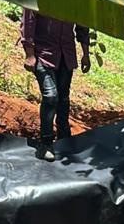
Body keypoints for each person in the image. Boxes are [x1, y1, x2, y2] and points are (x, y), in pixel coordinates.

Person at [21, 9, 91, 162]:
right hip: (43, 54)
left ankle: (64, 138)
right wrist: (30, 53)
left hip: (66, 53)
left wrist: (86, 53)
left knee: (63, 98)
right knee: (51, 96)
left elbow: (82, 24)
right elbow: (29, 18)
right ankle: (45, 143)